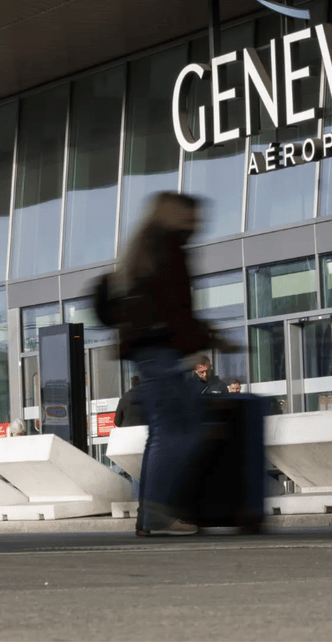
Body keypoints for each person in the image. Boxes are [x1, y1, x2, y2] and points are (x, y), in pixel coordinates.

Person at [116, 191, 236, 537]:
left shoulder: (145, 248)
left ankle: (150, 515)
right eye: (193, 216)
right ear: (177, 216)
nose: (199, 223)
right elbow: (177, 309)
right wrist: (208, 338)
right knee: (185, 430)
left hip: (147, 350)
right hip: (160, 350)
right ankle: (160, 512)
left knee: (163, 433)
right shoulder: (168, 249)